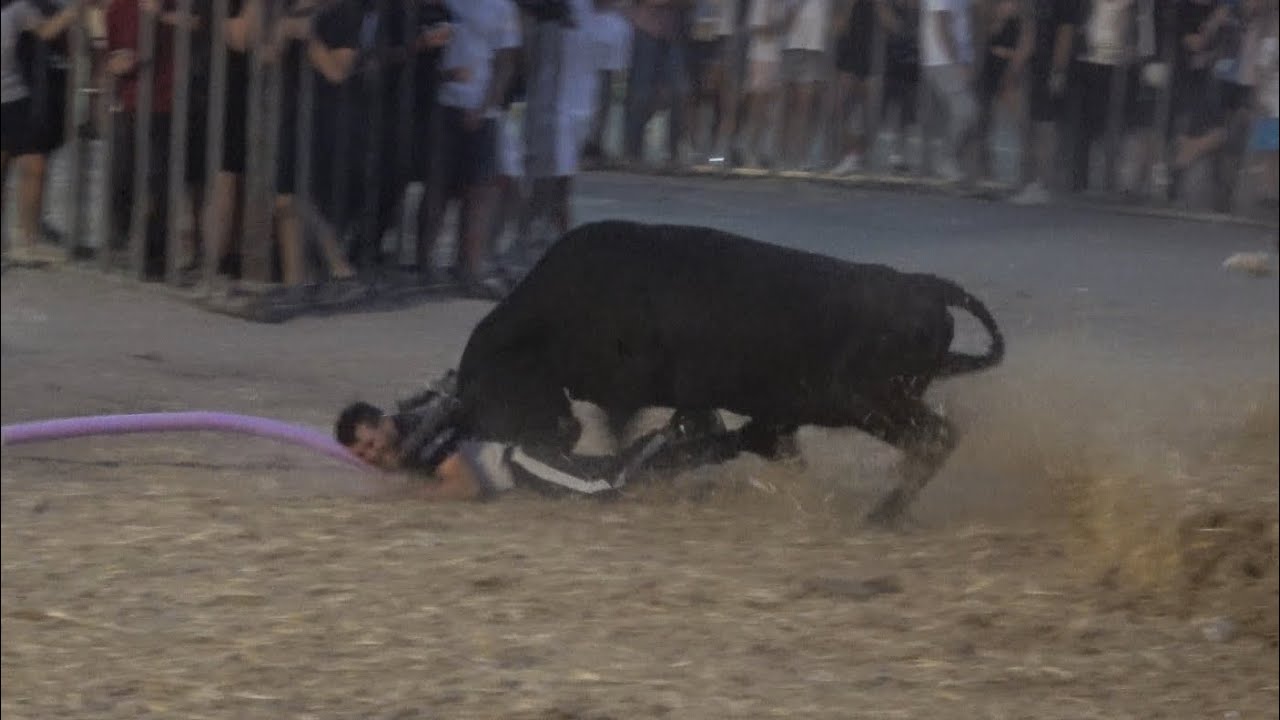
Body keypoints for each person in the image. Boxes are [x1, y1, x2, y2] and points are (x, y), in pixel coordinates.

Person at [335, 373, 745, 501]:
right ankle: (706, 447)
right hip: (523, 463)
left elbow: (464, 484)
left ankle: (683, 432)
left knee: (606, 485)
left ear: (383, 421)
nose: (372, 454)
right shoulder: (409, 435)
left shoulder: (417, 438)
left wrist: (406, 501)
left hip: (521, 462)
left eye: (371, 442)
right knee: (608, 478)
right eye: (363, 454)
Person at [2, 0, 83, 265]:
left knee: (35, 166)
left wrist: (74, 10)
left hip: (15, 98)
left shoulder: (16, 9)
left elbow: (47, 31)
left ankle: (29, 241)